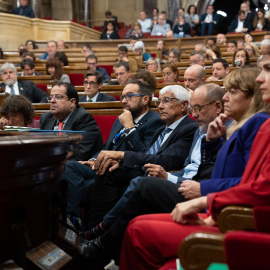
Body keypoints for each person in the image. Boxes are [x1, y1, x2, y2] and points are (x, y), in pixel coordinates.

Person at [79, 66, 270, 268]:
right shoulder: (233, 126)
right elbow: (218, 169)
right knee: (126, 200)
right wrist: (211, 143)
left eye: (232, 92)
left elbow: (253, 184)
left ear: (251, 97)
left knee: (143, 191)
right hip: (214, 199)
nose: (225, 99)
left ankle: (99, 246)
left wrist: (204, 193)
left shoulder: (257, 123)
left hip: (227, 211)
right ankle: (99, 242)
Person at [82, 83, 224, 241]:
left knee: (138, 182)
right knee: (98, 174)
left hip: (182, 182)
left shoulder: (191, 128)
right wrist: (121, 162)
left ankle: (100, 234)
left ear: (184, 105)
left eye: (166, 101)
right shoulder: (188, 130)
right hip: (163, 174)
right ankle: (92, 233)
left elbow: (166, 161)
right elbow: (183, 164)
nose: (161, 106)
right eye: (159, 102)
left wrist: (124, 150)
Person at [61, 80, 164, 217]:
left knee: (88, 186)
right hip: (103, 164)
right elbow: (108, 146)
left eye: (129, 96)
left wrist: (129, 127)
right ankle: (73, 218)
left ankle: (76, 221)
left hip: (122, 169)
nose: (123, 101)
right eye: (122, 97)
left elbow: (143, 153)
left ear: (145, 99)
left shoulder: (155, 121)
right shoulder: (121, 118)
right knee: (70, 167)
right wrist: (94, 159)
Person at [40, 82, 103, 161]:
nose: (52, 101)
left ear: (72, 102)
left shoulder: (83, 119)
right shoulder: (46, 118)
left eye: (58, 97)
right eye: (51, 97)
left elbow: (79, 155)